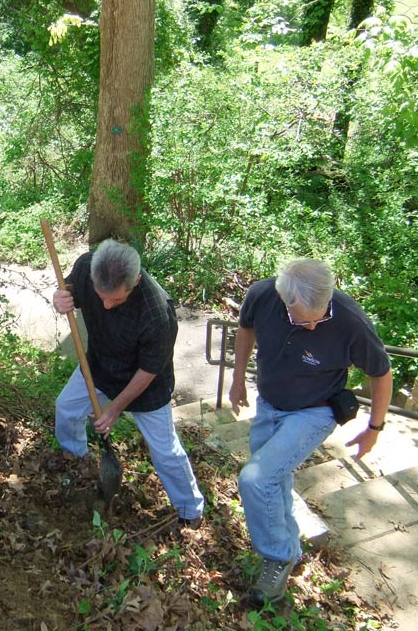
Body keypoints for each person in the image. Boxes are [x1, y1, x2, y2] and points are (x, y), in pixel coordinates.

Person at [229, 259, 392, 605]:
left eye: (322, 317)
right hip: (269, 404)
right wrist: (237, 377)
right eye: (307, 320)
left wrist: (375, 427)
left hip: (315, 411)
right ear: (285, 302)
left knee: (256, 479)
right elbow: (245, 328)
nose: (316, 325)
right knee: (276, 479)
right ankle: (290, 546)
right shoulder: (262, 296)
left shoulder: (350, 321)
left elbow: (381, 372)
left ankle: (278, 558)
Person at [52, 239, 205, 528]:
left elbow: (148, 371)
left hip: (145, 385)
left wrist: (114, 408)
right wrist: (60, 297)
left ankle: (190, 510)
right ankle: (78, 461)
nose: (107, 305)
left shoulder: (157, 312)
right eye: (101, 297)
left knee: (164, 451)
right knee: (66, 408)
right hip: (99, 365)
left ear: (134, 281)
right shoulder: (88, 266)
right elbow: (69, 288)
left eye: (116, 300)